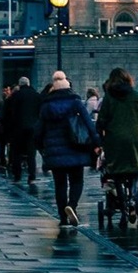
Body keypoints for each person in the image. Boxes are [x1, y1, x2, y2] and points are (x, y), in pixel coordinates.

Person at [35, 70, 98, 227]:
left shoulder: (46, 106)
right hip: (76, 147)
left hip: (55, 152)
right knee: (77, 180)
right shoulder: (76, 102)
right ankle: (72, 205)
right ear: (68, 86)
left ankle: (63, 217)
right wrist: (97, 142)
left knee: (60, 184)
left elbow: (38, 131)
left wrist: (41, 147)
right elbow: (89, 124)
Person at [96, 66, 138, 205]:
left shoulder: (108, 98)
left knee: (117, 172)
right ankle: (133, 197)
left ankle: (123, 206)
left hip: (115, 139)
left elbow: (101, 120)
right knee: (136, 168)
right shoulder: (137, 96)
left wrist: (100, 137)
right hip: (136, 138)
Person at [2, 77, 41, 187]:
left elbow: (8, 114)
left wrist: (8, 131)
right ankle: (32, 176)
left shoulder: (15, 96)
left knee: (16, 153)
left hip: (17, 128)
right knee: (31, 154)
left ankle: (17, 175)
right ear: (28, 84)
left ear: (19, 85)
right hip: (32, 128)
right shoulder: (36, 96)